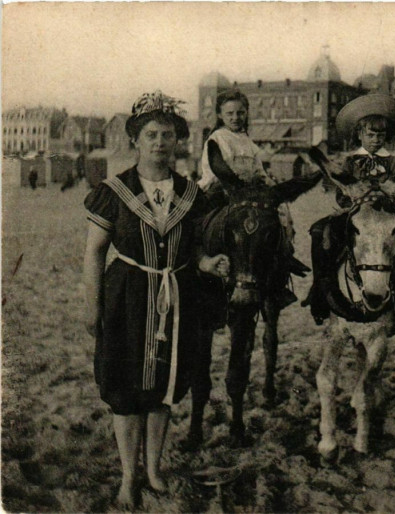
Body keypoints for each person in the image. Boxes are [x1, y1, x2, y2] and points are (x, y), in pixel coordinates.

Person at [83, 91, 229, 507]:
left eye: (168, 135)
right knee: (127, 390)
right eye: (152, 135)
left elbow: (193, 252)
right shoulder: (115, 190)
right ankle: (129, 478)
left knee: (163, 389)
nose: (160, 143)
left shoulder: (190, 194)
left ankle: (154, 470)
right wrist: (91, 306)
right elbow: (94, 252)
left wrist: (209, 263)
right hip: (125, 299)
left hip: (176, 303)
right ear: (136, 140)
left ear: (178, 141)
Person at [303, 93, 395, 326]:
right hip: (356, 212)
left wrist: (392, 200)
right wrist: (354, 203)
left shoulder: (394, 161)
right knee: (320, 230)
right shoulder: (349, 162)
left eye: (380, 135)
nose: (376, 139)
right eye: (371, 134)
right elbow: (340, 193)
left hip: (388, 213)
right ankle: (319, 288)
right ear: (359, 134)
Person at [198, 88, 307, 309]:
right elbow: (217, 169)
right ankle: (197, 264)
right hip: (221, 187)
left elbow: (258, 168)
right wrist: (235, 184)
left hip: (248, 190)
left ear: (246, 113)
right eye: (230, 114)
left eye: (240, 113)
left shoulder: (247, 140)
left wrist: (267, 182)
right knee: (198, 220)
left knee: (281, 213)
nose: (235, 118)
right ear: (220, 115)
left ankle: (284, 259)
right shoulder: (217, 138)